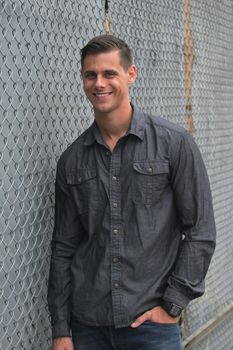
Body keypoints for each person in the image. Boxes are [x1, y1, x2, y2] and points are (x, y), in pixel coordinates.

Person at [47, 34, 216, 350]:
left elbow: (200, 230)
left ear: (131, 74)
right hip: (88, 328)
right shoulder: (71, 161)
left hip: (151, 326)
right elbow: (63, 248)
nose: (99, 83)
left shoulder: (174, 144)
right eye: (90, 74)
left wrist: (172, 305)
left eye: (109, 73)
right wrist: (61, 329)